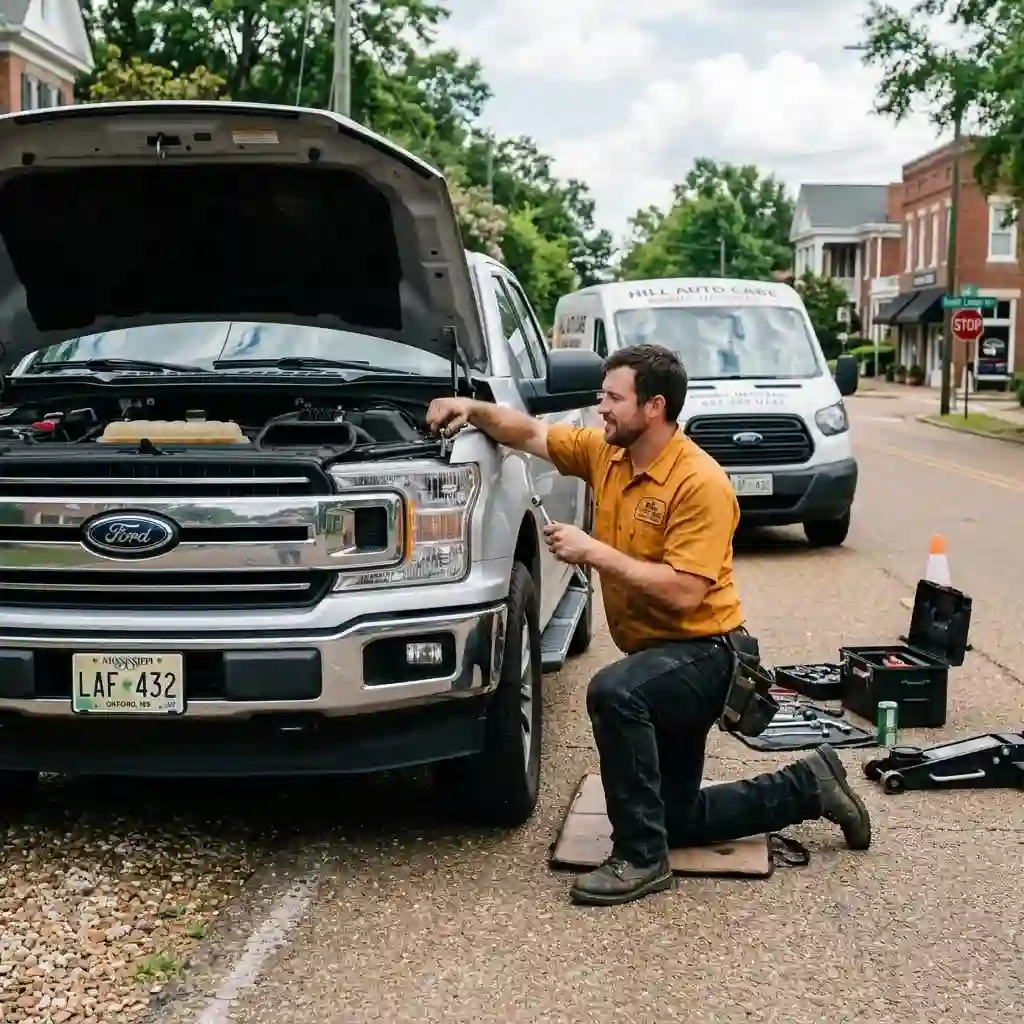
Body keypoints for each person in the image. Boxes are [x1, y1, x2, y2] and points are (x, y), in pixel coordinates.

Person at [425, 343, 871, 906]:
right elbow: (529, 432)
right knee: (676, 817)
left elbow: (686, 592)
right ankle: (810, 785)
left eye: (613, 397)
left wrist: (592, 551)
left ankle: (640, 858)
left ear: (654, 406)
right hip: (659, 659)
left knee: (615, 692)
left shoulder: (699, 482)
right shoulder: (607, 453)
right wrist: (470, 408)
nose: (600, 407)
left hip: (708, 654)